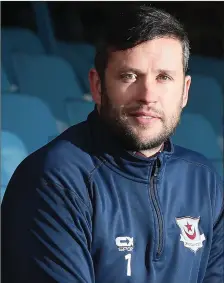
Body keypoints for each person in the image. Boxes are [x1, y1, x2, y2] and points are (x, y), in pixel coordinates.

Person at [2, 5, 223, 283]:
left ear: (185, 92)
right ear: (97, 86)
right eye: (129, 76)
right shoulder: (54, 180)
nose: (148, 95)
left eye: (164, 77)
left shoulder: (203, 182)